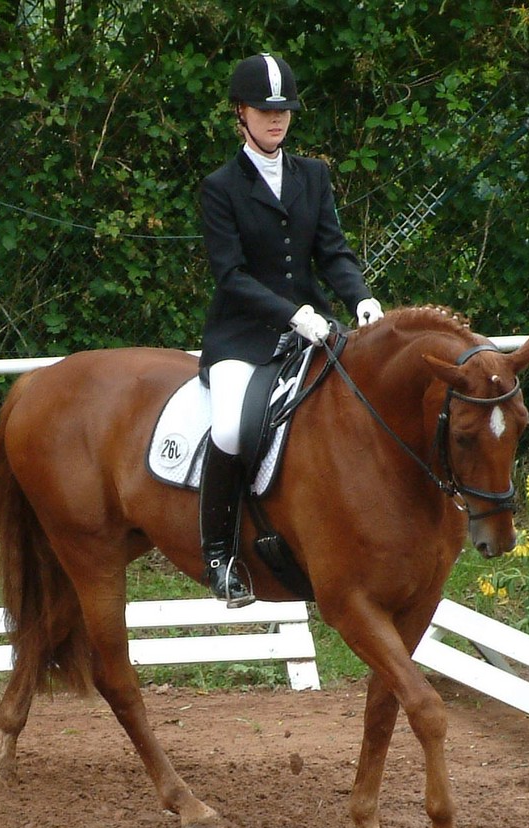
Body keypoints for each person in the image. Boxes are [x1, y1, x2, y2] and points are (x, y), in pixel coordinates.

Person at [198, 52, 383, 608]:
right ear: (241, 113)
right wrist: (289, 313)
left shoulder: (313, 175)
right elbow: (230, 276)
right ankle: (220, 556)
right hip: (244, 337)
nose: (276, 120)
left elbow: (332, 251)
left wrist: (362, 297)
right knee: (231, 430)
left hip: (317, 331)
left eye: (284, 111)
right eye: (264, 110)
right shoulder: (220, 187)